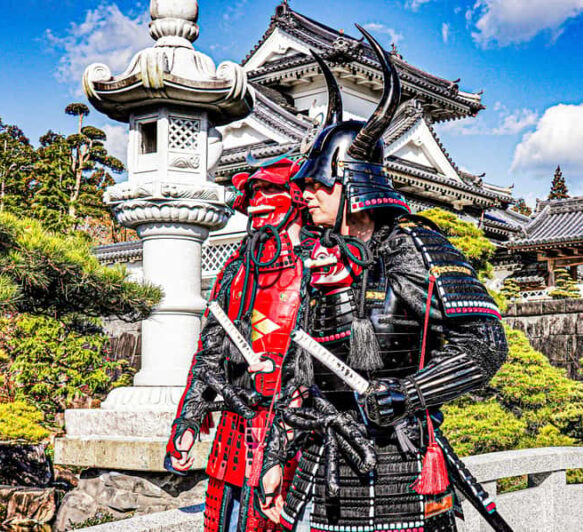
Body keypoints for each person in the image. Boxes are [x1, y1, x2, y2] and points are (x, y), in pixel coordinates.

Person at [257, 27, 509, 532]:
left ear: (352, 183)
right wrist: (276, 457)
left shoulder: (412, 247)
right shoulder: (319, 261)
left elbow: (486, 344)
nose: (306, 194)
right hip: (321, 467)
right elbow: (296, 373)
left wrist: (409, 393)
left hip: (399, 463)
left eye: (318, 184)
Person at [166, 157, 309, 532]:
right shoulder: (235, 269)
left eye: (271, 190)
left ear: (297, 197)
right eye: (255, 193)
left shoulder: (321, 265)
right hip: (234, 425)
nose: (259, 201)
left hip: (298, 429)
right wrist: (189, 421)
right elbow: (209, 354)